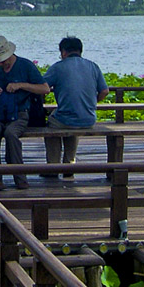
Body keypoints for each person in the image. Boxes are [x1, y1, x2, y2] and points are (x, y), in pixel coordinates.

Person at [0, 35, 48, 190]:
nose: (2, 64)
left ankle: (20, 176)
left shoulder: (26, 65)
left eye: (3, 60)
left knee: (11, 133)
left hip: (20, 112)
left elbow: (44, 88)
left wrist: (21, 86)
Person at [41, 36, 109, 180]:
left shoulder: (58, 67)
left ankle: (53, 166)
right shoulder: (93, 66)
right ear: (80, 51)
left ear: (64, 52)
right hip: (89, 119)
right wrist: (92, 103)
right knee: (73, 120)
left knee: (53, 124)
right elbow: (104, 91)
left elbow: (43, 87)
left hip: (66, 119)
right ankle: (69, 163)